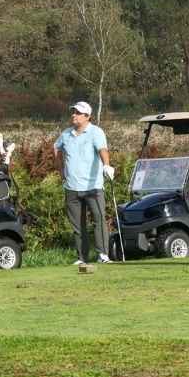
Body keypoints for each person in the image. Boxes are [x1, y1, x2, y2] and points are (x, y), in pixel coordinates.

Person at [53, 100, 112, 268]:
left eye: (78, 113)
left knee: (99, 220)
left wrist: (106, 165)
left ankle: (102, 254)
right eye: (73, 112)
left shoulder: (96, 132)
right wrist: (60, 170)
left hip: (93, 187)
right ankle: (82, 257)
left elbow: (103, 150)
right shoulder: (66, 134)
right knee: (78, 226)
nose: (74, 115)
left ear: (87, 116)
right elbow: (56, 148)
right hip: (72, 187)